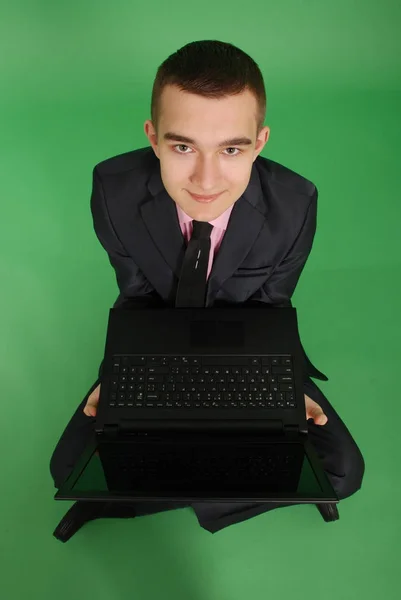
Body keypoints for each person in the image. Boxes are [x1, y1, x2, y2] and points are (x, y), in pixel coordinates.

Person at [50, 40, 365, 541]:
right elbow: (136, 296)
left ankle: (143, 490)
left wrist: (282, 388)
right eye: (182, 147)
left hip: (248, 350)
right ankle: (219, 481)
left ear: (259, 143)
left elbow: (272, 307)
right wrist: (120, 372)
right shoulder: (113, 188)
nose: (205, 178)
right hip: (154, 345)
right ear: (153, 138)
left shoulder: (296, 203)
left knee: (342, 471)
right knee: (68, 468)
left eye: (232, 149)